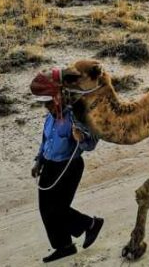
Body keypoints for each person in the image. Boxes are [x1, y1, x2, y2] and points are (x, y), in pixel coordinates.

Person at [32, 99, 103, 263]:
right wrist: (39, 162)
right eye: (45, 104)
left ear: (59, 100)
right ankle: (64, 246)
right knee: (45, 209)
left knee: (58, 209)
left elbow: (91, 143)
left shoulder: (76, 116)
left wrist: (81, 137)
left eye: (49, 103)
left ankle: (91, 224)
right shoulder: (50, 117)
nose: (47, 107)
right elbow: (45, 142)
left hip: (69, 166)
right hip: (49, 165)